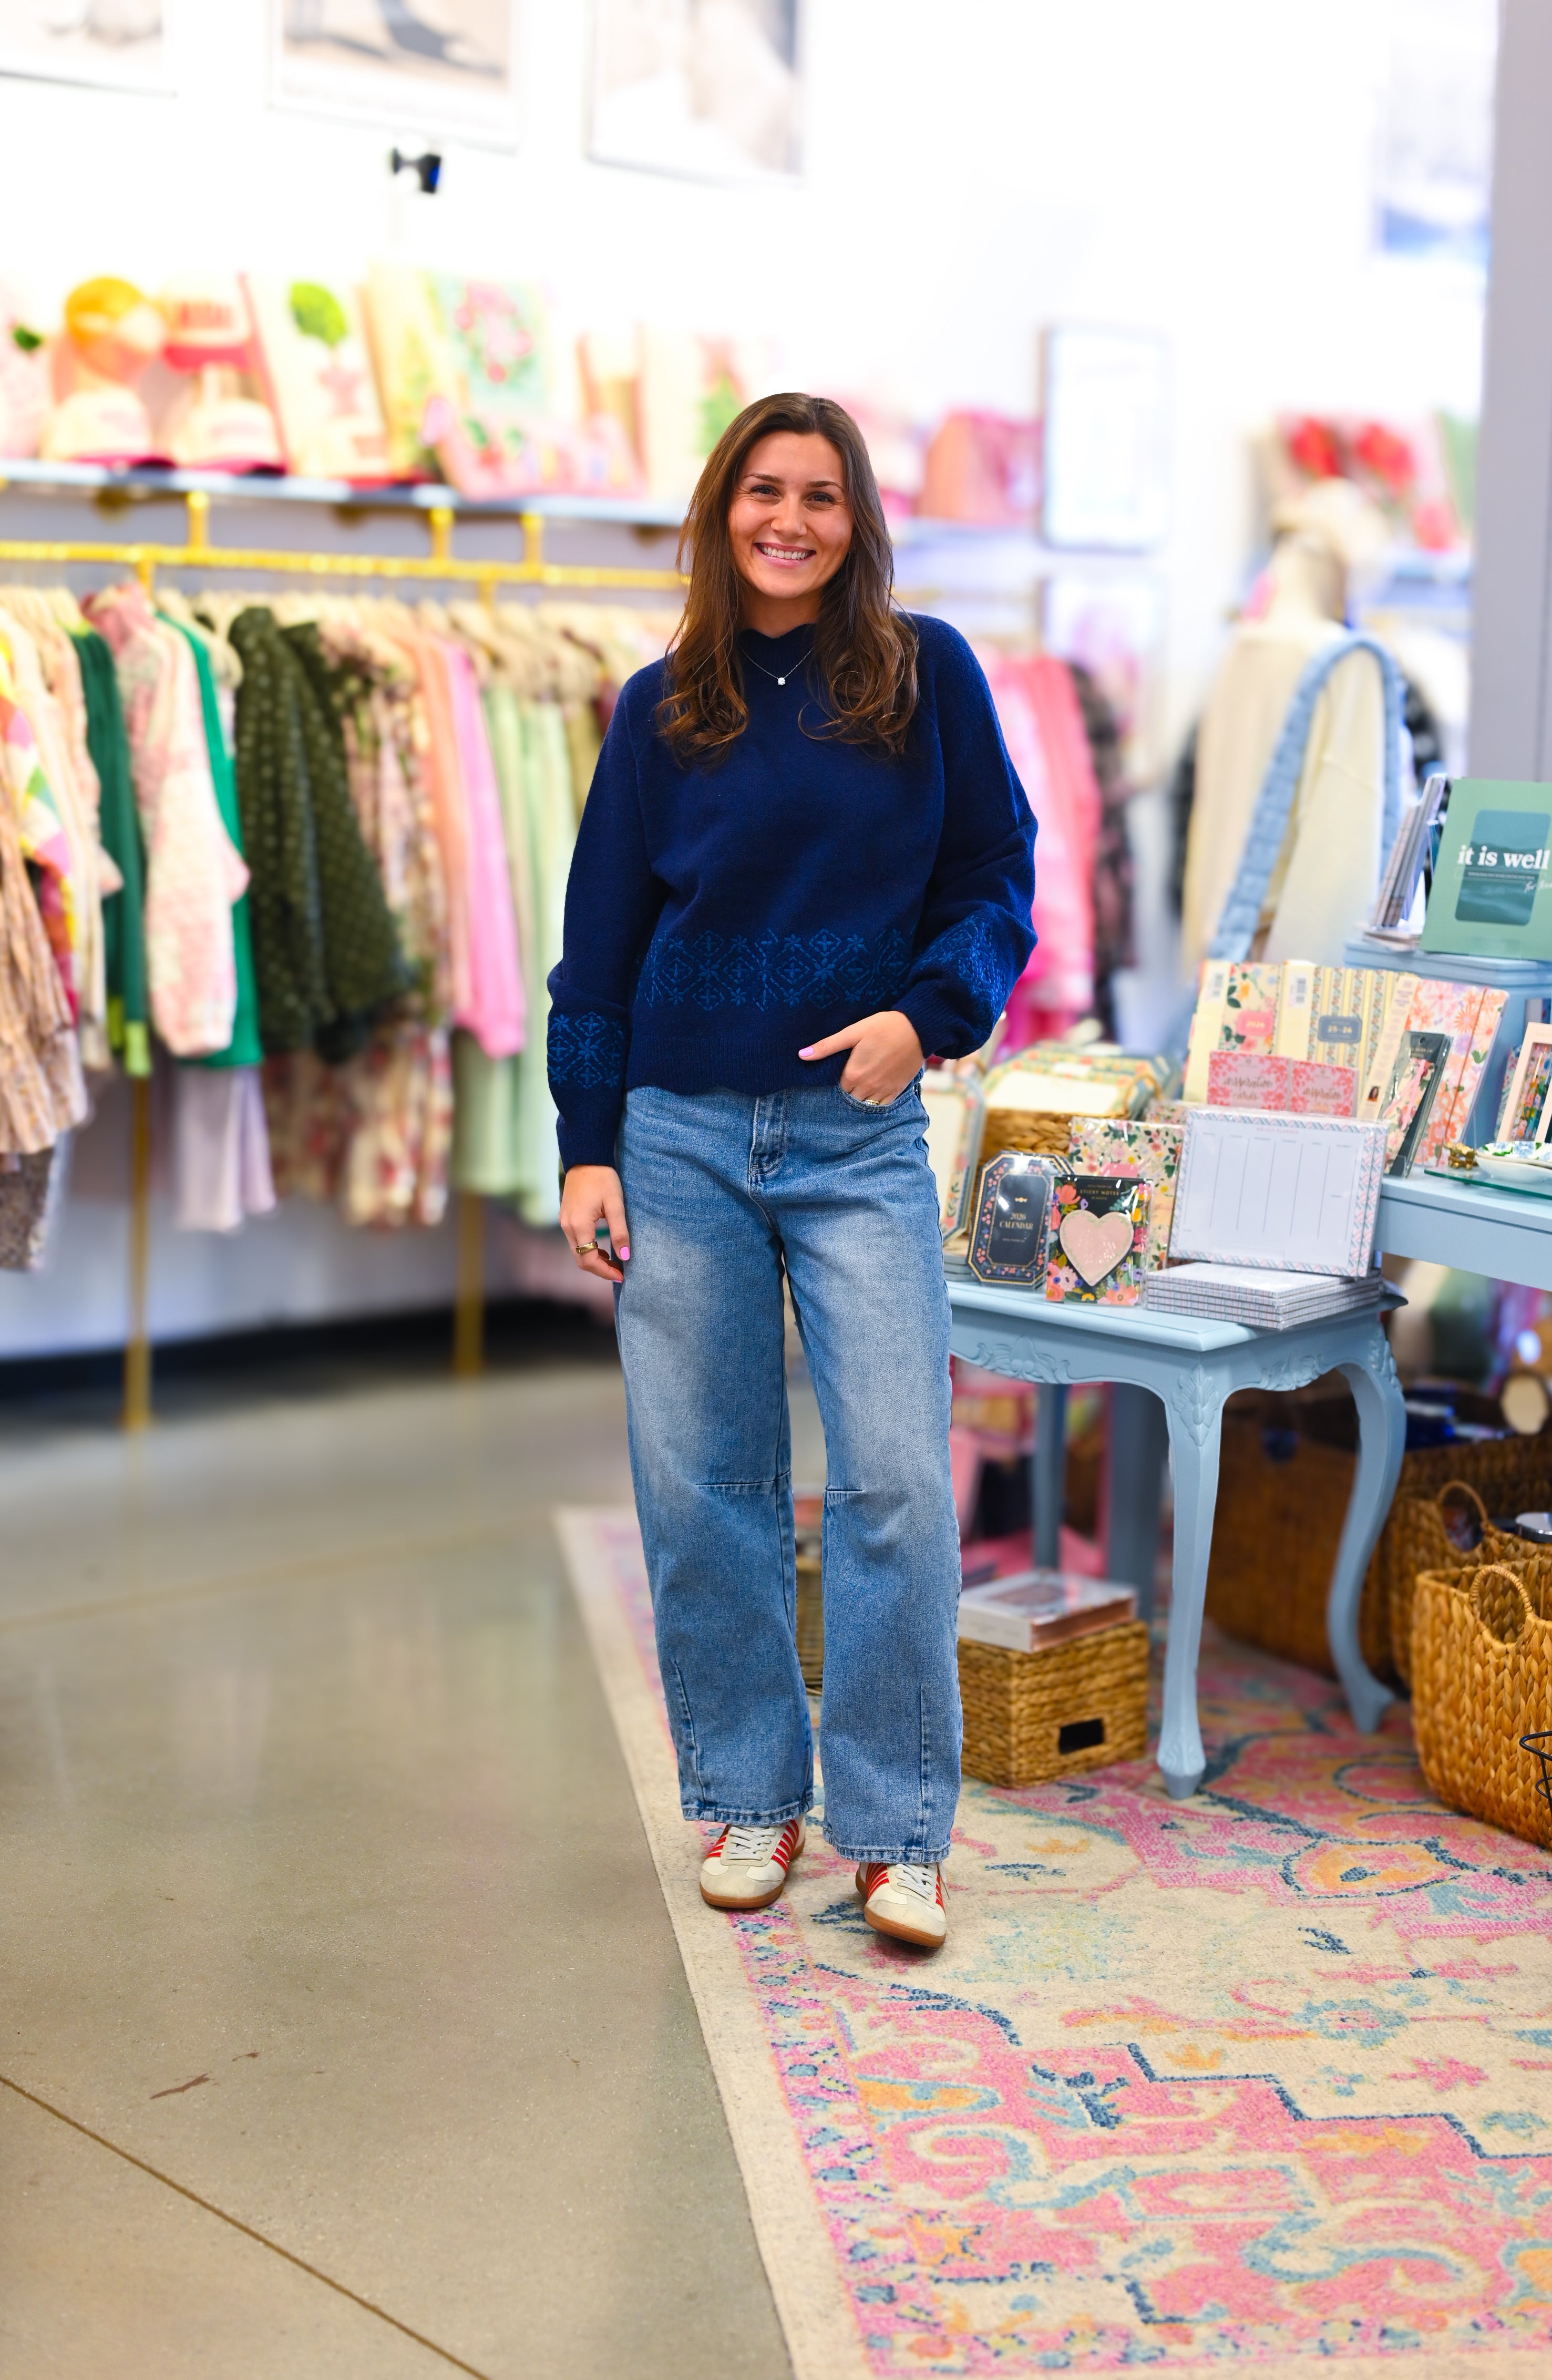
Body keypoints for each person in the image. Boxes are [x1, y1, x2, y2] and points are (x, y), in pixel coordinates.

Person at [551, 393, 1036, 1951]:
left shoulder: (925, 676)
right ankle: (749, 1797)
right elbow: (601, 948)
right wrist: (583, 1147)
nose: (789, 521)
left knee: (897, 1475)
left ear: (857, 518)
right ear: (721, 510)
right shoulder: (657, 707)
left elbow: (995, 879)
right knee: (709, 1490)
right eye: (763, 492)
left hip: (858, 1138)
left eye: (820, 497)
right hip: (680, 1139)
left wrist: (928, 1018)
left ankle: (898, 1837)